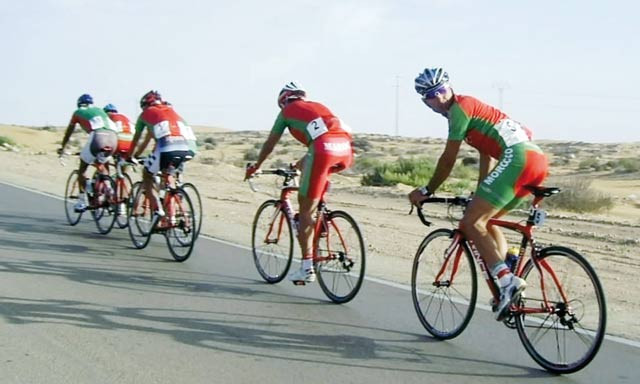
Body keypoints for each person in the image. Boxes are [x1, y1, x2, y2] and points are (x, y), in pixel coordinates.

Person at [407, 68, 548, 321]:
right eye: (430, 95)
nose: (438, 97)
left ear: (450, 87)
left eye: (441, 90)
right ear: (424, 101)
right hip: (536, 159)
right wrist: (481, 191)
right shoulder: (474, 111)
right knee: (486, 220)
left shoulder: (460, 109)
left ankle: (506, 281)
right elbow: (486, 154)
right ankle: (508, 267)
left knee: (471, 222)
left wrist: (427, 190)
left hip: (518, 158)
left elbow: (448, 158)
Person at [245, 82, 355, 284]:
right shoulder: (317, 107)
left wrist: (256, 165)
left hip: (323, 149)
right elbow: (325, 137)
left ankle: (306, 267)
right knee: (316, 189)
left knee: (304, 211)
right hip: (345, 149)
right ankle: (320, 222)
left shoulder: (287, 111)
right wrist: (298, 165)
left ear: (283, 100)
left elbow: (271, 143)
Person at [127, 90, 196, 217]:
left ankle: (158, 209)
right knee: (169, 175)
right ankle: (177, 203)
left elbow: (137, 139)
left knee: (147, 175)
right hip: (184, 147)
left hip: (166, 148)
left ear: (145, 105)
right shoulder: (171, 110)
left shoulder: (145, 114)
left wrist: (130, 156)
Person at [59, 94, 118, 212]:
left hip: (97, 136)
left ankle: (81, 201)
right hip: (113, 138)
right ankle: (107, 187)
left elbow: (68, 133)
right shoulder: (100, 110)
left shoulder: (78, 112)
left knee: (82, 168)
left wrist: (63, 147)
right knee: (102, 163)